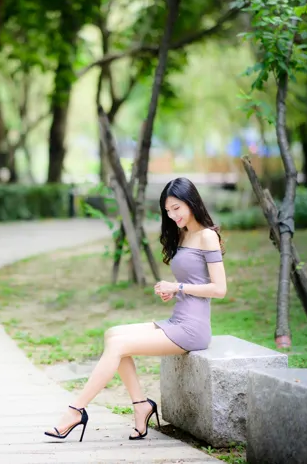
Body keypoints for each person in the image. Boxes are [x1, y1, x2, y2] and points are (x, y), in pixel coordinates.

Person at [44, 177, 227, 442]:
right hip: (178, 319)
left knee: (119, 347)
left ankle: (75, 410)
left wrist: (178, 287)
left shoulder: (207, 236)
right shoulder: (183, 233)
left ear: (191, 202)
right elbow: (191, 282)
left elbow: (219, 289)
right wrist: (173, 290)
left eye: (177, 208)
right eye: (167, 210)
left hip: (192, 329)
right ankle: (141, 405)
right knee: (112, 334)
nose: (172, 215)